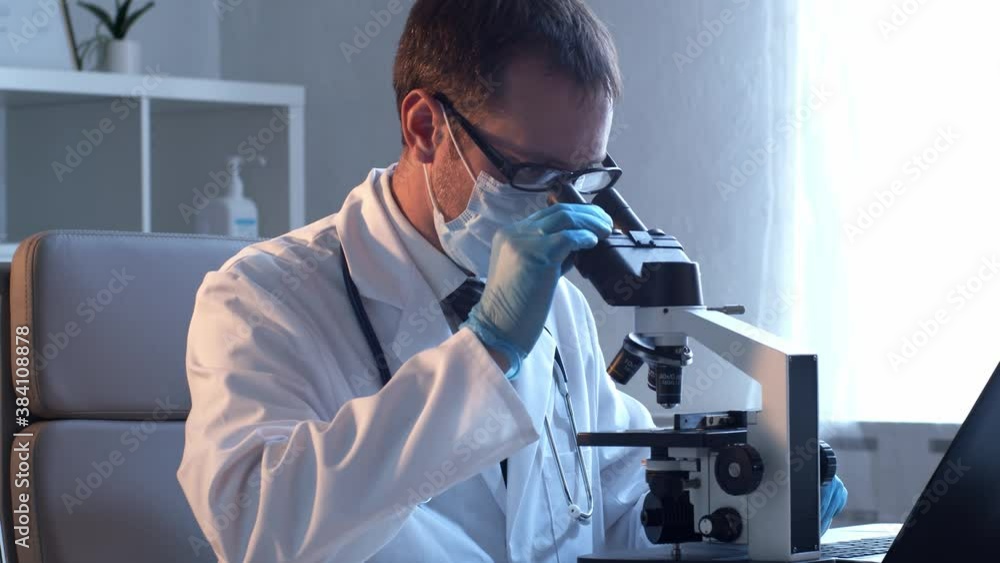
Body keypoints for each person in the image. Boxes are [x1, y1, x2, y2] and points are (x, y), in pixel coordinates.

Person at [176, 1, 847, 561]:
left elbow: (620, 513)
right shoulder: (262, 299)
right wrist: (487, 350)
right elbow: (257, 528)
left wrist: (744, 514)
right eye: (531, 172)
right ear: (425, 127)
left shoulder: (558, 306)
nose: (559, 203)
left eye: (580, 177)